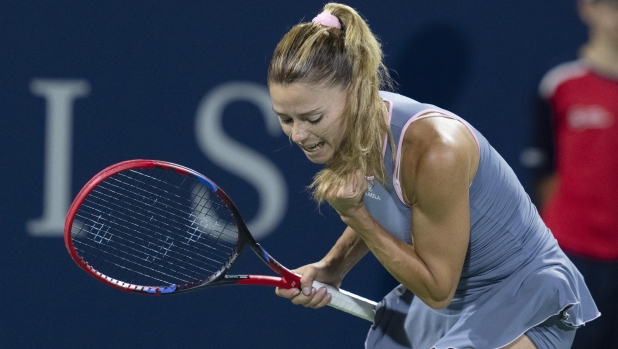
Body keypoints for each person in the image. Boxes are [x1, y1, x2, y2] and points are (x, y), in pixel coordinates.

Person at [268, 3, 599, 348]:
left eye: (312, 118)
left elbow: (438, 289)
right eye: (286, 119)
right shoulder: (356, 125)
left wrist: (357, 215)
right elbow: (392, 204)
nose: (298, 135)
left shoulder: (435, 152)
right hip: (453, 301)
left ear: (355, 91)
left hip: (524, 298)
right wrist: (332, 266)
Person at [527, 0, 618, 347]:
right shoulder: (558, 81)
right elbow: (543, 170)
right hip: (572, 258)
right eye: (611, 4)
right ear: (587, 8)